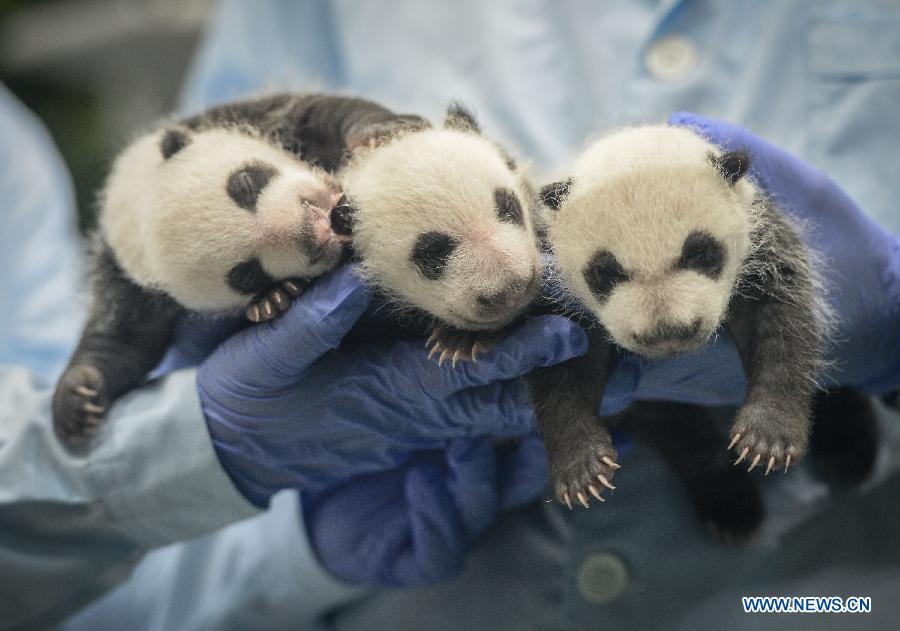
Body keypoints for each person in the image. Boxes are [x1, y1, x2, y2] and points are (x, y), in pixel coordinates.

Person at [0, 1, 897, 629]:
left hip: (809, 602)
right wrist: (293, 547)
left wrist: (886, 343)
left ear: (520, 184)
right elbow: (124, 572)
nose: (511, 273)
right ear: (556, 207)